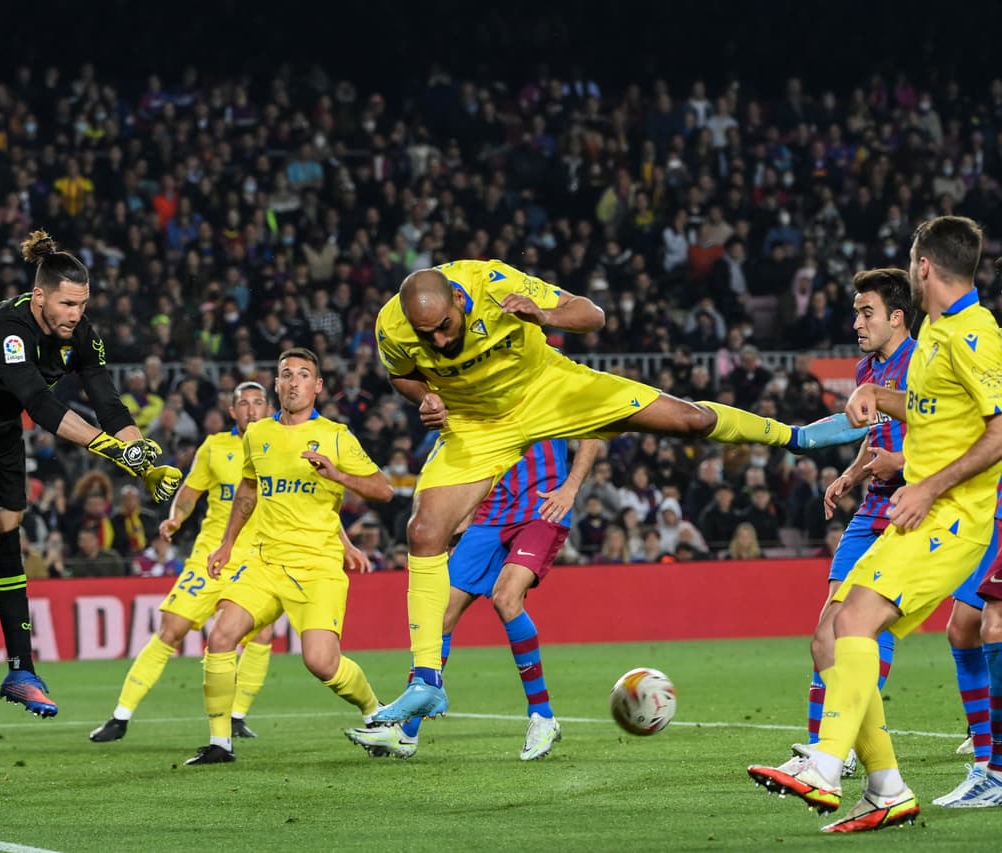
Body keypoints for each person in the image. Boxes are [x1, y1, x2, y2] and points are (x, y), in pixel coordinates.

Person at [372, 258, 867, 723]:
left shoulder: (494, 283)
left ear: (459, 302)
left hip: (547, 389)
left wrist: (544, 313)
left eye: (444, 328)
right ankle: (427, 678)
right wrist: (427, 396)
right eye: (426, 334)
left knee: (689, 420)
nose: (437, 341)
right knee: (424, 531)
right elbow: (402, 374)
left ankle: (797, 436)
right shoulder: (392, 327)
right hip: (478, 422)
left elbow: (593, 315)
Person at [749, 216, 1002, 832]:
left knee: (855, 622)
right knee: (838, 627)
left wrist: (929, 485)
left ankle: (829, 764)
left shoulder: (974, 334)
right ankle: (886, 786)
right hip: (919, 514)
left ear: (923, 267)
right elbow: (927, 406)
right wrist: (876, 399)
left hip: (950, 517)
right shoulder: (939, 333)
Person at [0, 230, 182, 718]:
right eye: (66, 304)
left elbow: (109, 403)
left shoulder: (81, 334)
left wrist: (142, 458)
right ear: (40, 296)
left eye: (82, 305)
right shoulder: (7, 326)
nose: (75, 315)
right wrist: (112, 452)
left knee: (8, 534)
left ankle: (21, 670)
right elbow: (40, 406)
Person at [185, 348, 394, 765]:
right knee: (221, 637)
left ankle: (378, 714)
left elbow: (384, 489)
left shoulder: (337, 436)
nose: (293, 381)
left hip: (317, 565)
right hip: (264, 562)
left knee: (321, 663)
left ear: (317, 386)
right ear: (276, 384)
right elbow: (247, 491)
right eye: (286, 374)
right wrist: (226, 545)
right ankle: (220, 743)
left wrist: (338, 476)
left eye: (303, 375)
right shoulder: (258, 434)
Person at [346, 438, 600, 761]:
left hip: (542, 508)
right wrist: (463, 516)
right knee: (439, 615)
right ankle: (406, 732)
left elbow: (592, 433)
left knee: (506, 598)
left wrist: (572, 488)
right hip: (490, 515)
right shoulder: (484, 391)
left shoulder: (556, 387)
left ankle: (543, 716)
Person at [89, 381, 279, 743]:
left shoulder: (281, 445)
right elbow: (190, 492)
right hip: (210, 555)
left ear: (268, 408)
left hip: (255, 558)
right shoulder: (214, 446)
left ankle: (236, 716)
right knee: (171, 630)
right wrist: (176, 517)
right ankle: (120, 716)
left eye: (258, 402)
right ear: (232, 411)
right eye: (244, 403)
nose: (251, 409)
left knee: (262, 632)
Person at [781, 269, 915, 776]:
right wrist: (852, 473)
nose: (856, 322)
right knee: (826, 632)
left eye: (867, 312)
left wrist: (898, 465)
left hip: (911, 504)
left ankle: (839, 749)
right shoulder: (865, 368)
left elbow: (956, 435)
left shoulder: (923, 363)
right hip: (872, 505)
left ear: (896, 317)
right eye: (856, 312)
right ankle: (821, 748)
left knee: (865, 628)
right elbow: (875, 430)